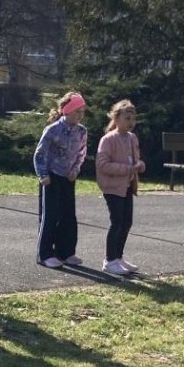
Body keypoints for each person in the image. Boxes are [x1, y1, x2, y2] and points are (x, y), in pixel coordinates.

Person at [34, 91, 88, 269]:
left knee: (68, 215)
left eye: (82, 112)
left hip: (68, 177)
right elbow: (39, 154)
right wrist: (43, 174)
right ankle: (45, 254)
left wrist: (76, 169)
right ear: (67, 111)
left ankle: (65, 252)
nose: (80, 115)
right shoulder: (53, 130)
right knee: (50, 215)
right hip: (51, 176)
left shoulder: (82, 131)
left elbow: (81, 153)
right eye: (77, 111)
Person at [94, 98, 145, 277]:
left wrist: (140, 165)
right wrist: (127, 169)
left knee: (126, 222)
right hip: (112, 188)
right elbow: (102, 165)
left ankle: (118, 257)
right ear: (116, 119)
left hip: (127, 186)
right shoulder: (108, 139)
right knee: (116, 223)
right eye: (127, 118)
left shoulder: (132, 138)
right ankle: (109, 261)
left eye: (133, 118)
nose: (131, 122)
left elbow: (135, 159)